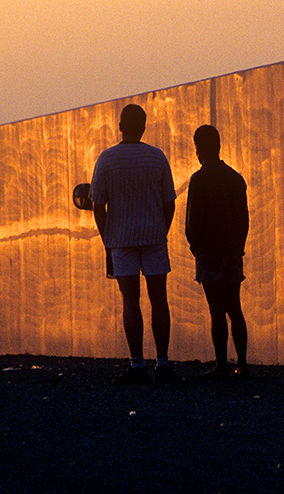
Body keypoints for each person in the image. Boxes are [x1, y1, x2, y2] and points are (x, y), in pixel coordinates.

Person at [89, 104, 180, 384]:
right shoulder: (157, 157)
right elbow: (169, 203)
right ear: (143, 126)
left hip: (121, 238)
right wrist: (160, 228)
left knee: (130, 300)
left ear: (120, 126)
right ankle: (162, 363)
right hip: (153, 236)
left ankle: (136, 364)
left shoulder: (107, 159)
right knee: (159, 300)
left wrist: (108, 238)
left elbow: (98, 205)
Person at [185, 124, 249, 380]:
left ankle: (221, 365)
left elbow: (192, 222)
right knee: (235, 307)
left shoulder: (199, 179)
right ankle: (242, 364)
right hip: (232, 251)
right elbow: (244, 219)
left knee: (216, 310)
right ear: (219, 146)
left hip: (209, 252)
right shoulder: (235, 178)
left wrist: (196, 247)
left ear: (198, 149)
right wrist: (238, 246)